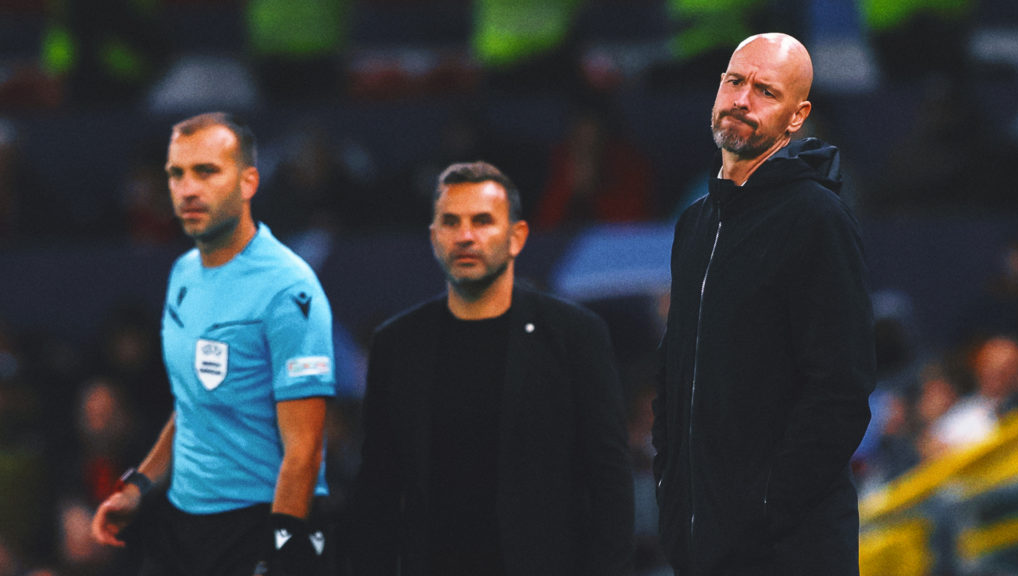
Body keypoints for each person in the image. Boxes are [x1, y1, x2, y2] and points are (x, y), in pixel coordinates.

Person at [651, 33, 875, 576]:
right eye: (735, 81)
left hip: (788, 552)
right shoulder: (695, 224)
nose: (742, 100)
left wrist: (766, 509)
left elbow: (841, 392)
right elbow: (676, 376)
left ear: (797, 117)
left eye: (766, 91)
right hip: (703, 548)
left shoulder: (817, 218)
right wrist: (672, 498)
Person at [344, 161, 634, 575]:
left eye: (482, 221)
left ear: (517, 237)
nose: (465, 236)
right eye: (451, 222)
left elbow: (610, 481)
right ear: (433, 236)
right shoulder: (397, 344)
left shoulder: (574, 335)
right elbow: (377, 489)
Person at [89, 112, 337, 576]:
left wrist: (278, 552)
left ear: (248, 182)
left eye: (206, 172)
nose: (187, 189)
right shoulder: (184, 274)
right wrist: (138, 487)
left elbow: (305, 451)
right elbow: (193, 406)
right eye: (177, 174)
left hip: (257, 524)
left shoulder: (288, 289)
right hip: (181, 527)